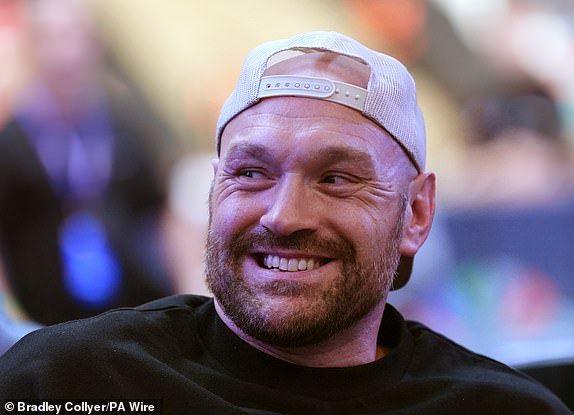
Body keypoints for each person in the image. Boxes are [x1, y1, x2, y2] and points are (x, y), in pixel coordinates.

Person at [0, 31, 571, 414]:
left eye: (337, 178)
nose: (283, 216)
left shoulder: (503, 409)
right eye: (250, 173)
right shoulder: (68, 383)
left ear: (416, 213)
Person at [0, 0, 175, 325]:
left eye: (74, 36)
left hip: (131, 313)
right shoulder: (12, 141)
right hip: (44, 326)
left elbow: (159, 214)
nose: (65, 53)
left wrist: (181, 297)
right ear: (31, 48)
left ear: (95, 44)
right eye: (50, 38)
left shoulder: (126, 123)